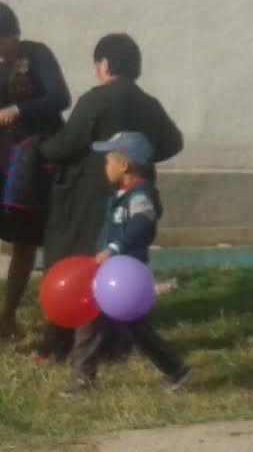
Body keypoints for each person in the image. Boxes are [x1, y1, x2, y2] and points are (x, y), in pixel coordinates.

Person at [37, 34, 183, 358]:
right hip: (133, 194)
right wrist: (143, 160)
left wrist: (38, 146)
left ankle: (61, 341)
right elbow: (174, 141)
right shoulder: (149, 103)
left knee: (78, 263)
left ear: (104, 64)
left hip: (88, 198)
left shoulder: (96, 100)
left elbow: (65, 145)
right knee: (120, 264)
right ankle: (116, 342)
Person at [61, 131, 189, 395]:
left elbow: (143, 225)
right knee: (97, 322)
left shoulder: (140, 196)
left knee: (128, 327)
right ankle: (85, 378)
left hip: (124, 277)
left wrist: (114, 248)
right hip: (110, 274)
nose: (105, 167)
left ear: (124, 165)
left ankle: (175, 369)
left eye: (108, 161)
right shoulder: (123, 194)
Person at [0, 2, 71, 338]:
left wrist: (18, 110)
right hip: (4, 157)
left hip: (36, 161)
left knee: (27, 238)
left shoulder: (37, 55)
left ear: (13, 35)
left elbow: (60, 97)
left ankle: (8, 316)